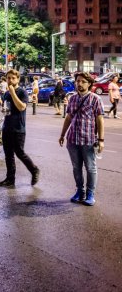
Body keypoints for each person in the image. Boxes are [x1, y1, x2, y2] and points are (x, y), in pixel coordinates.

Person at [59, 72, 105, 206]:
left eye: (82, 81)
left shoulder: (95, 99)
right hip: (72, 139)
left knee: (90, 168)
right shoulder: (72, 99)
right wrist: (62, 135)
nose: (79, 84)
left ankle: (90, 194)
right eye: (77, 81)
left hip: (88, 140)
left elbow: (100, 120)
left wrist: (101, 140)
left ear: (89, 83)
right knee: (76, 168)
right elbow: (68, 118)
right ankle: (80, 191)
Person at [0, 69, 40, 187]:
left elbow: (22, 107)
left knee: (20, 152)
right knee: (8, 155)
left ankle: (34, 170)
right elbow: (7, 108)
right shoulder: (6, 93)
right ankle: (10, 179)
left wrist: (13, 93)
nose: (10, 80)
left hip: (18, 128)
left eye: (13, 78)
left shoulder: (22, 92)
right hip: (7, 127)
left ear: (18, 79)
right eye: (8, 78)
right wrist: (3, 109)